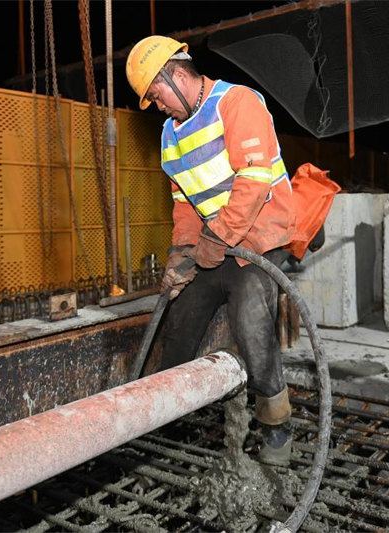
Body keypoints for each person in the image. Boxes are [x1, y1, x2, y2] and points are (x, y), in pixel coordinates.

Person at [126, 36, 296, 465]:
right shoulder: (170, 135)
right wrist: (180, 254)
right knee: (180, 319)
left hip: (259, 236)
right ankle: (171, 416)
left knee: (250, 318)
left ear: (177, 74)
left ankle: (276, 424)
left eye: (156, 93)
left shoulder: (236, 102)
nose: (158, 105)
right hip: (215, 243)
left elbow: (255, 180)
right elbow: (184, 202)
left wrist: (215, 240)